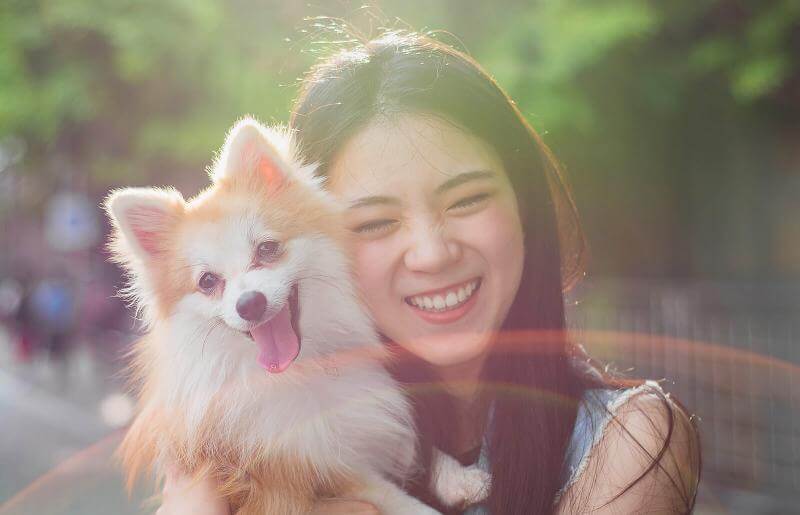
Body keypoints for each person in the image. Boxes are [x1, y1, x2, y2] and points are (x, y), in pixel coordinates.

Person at [157, 30, 700, 514]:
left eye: (465, 201)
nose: (432, 253)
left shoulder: (632, 438)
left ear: (524, 207)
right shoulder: (253, 454)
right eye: (374, 223)